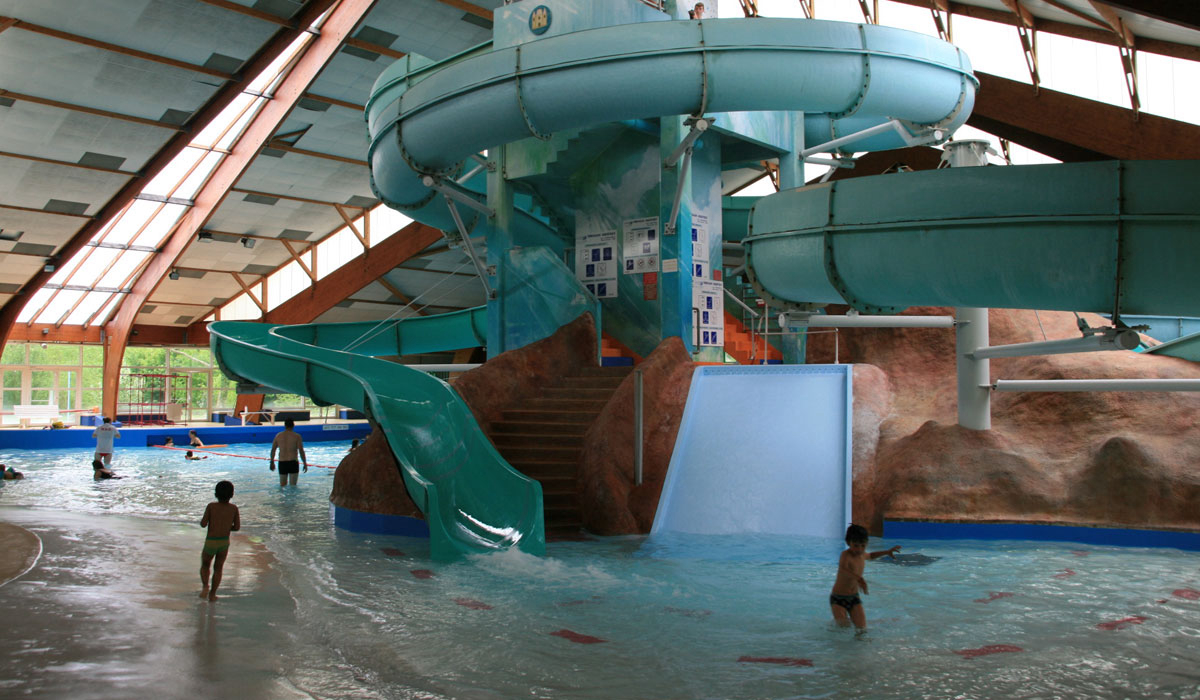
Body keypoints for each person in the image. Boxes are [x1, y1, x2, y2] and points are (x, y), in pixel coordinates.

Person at [830, 524, 901, 632]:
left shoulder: (862, 555)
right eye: (856, 545)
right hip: (838, 598)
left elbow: (871, 555)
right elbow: (843, 569)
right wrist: (859, 578)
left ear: (867, 543)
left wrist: (886, 552)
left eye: (863, 546)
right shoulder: (845, 555)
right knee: (843, 628)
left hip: (854, 598)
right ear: (848, 543)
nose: (859, 549)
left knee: (862, 629)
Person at [199, 480, 240, 602]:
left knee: (205, 565)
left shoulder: (211, 506)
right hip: (224, 543)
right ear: (232, 494)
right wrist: (227, 527)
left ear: (216, 493)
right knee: (218, 568)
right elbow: (237, 527)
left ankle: (205, 586)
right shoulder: (233, 508)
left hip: (211, 541)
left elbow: (203, 524)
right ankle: (213, 594)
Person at [269, 419, 308, 486]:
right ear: (293, 425)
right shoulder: (297, 436)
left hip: (282, 462)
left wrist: (272, 462)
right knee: (293, 486)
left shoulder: (278, 436)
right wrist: (304, 463)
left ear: (285, 426)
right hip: (293, 462)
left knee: (282, 486)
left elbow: (273, 450)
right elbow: (301, 451)